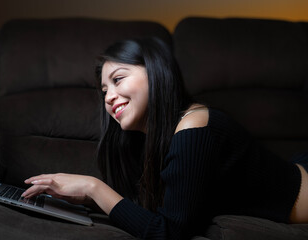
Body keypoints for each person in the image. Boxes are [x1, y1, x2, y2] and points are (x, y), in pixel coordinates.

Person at [21, 37, 308, 239]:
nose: (108, 96)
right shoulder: (153, 137)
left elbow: (168, 233)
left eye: (118, 79)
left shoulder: (195, 128)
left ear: (155, 72)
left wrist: (94, 187)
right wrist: (85, 198)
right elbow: (151, 210)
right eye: (103, 90)